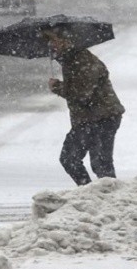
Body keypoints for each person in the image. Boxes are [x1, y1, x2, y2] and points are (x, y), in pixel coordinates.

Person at [43, 27, 125, 186]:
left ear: (66, 40)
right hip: (89, 118)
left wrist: (58, 87)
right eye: (48, 41)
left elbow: (82, 93)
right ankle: (92, 196)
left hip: (102, 117)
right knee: (73, 159)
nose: (50, 45)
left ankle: (106, 198)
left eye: (53, 40)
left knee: (98, 163)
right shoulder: (70, 60)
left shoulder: (83, 60)